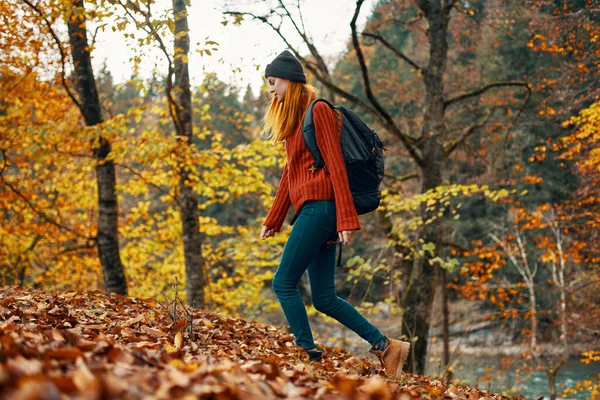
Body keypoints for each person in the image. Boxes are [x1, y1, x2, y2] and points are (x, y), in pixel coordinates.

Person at [259, 50, 410, 378]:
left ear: (291, 79)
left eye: (273, 82)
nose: (270, 89)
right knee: (324, 298)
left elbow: (336, 166)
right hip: (311, 211)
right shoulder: (293, 124)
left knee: (283, 282)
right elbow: (290, 175)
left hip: (322, 209)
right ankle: (386, 346)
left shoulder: (320, 111)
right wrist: (274, 219)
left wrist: (346, 218)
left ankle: (306, 352)